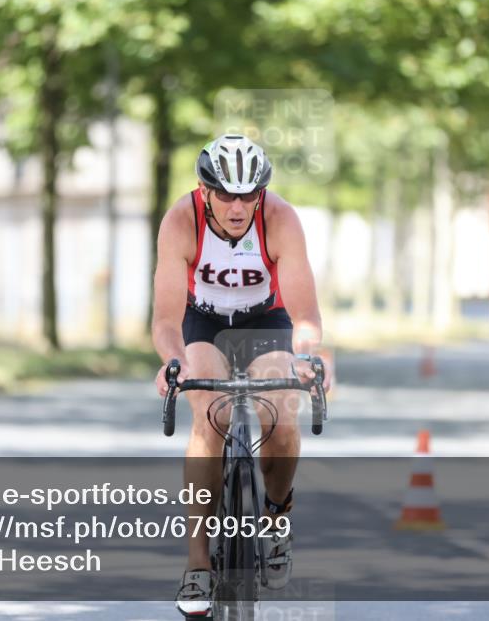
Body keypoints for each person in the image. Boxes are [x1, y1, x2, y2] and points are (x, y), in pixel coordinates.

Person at [151, 134, 332, 618]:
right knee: (210, 416)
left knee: (281, 406)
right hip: (203, 322)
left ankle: (275, 521)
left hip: (265, 321)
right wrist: (173, 361)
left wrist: (308, 355)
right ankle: (198, 567)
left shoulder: (280, 219)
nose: (237, 206)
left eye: (248, 195)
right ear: (204, 190)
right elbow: (166, 321)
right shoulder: (180, 220)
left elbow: (306, 315)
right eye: (226, 195)